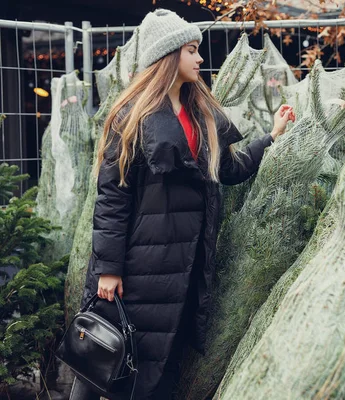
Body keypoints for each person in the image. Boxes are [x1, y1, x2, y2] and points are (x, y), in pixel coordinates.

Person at [69, 8, 295, 400]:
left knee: (163, 366)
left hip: (186, 268)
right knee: (118, 364)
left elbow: (230, 168)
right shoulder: (132, 116)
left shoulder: (202, 114)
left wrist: (271, 137)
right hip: (138, 268)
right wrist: (108, 268)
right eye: (192, 50)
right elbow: (113, 198)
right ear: (168, 55)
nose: (200, 59)